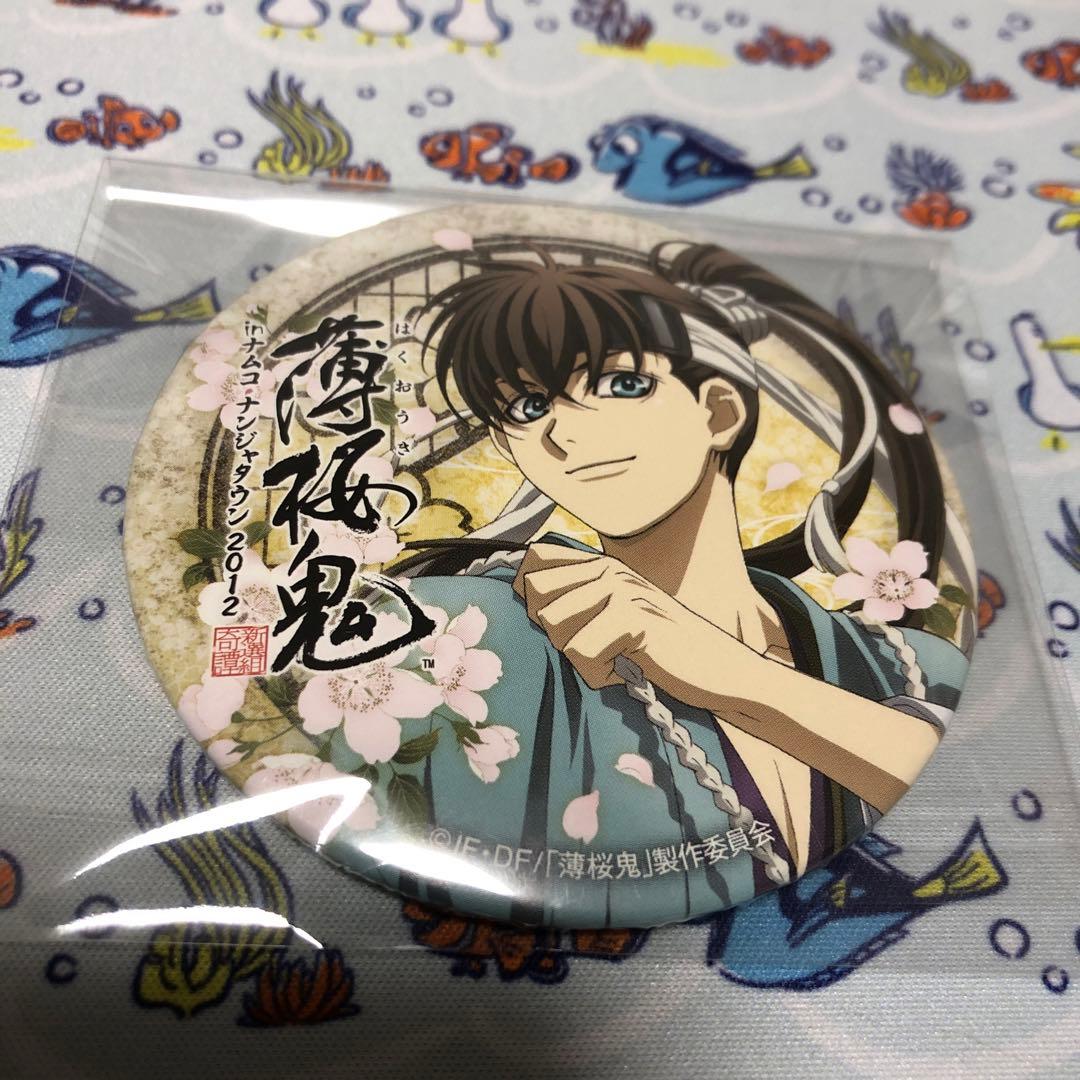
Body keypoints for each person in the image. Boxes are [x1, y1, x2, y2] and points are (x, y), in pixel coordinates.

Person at [383, 241, 970, 927]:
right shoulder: (467, 632)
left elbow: (962, 802)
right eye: (528, 406)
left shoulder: (912, 665)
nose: (563, 434)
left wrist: (728, 673)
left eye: (621, 384)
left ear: (719, 411)